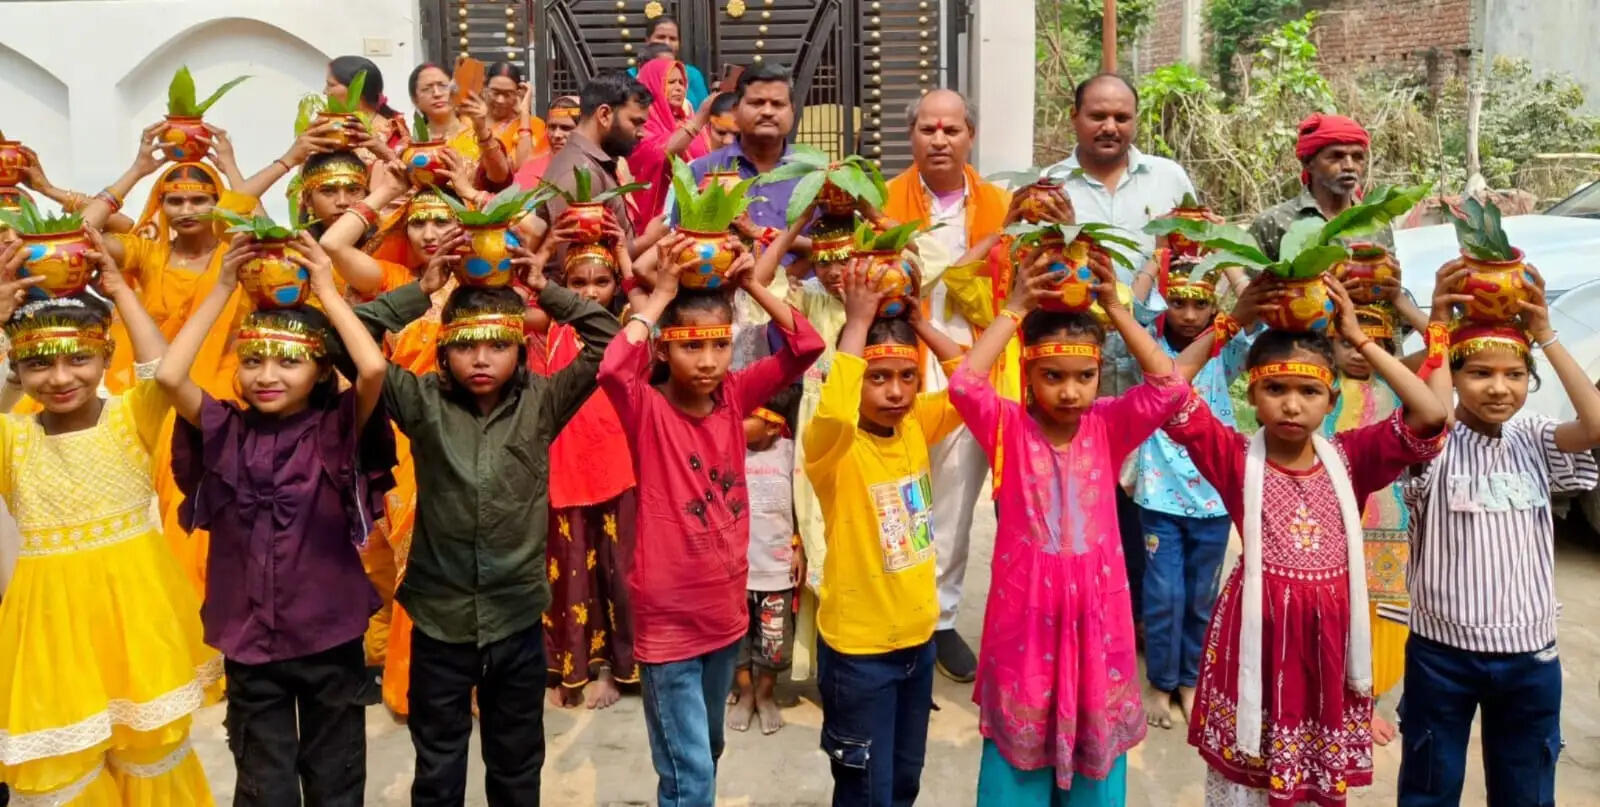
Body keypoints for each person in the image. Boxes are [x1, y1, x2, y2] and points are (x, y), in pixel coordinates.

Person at [1165, 277, 1452, 806]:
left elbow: (1432, 414)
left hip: (1325, 642)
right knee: (1249, 772)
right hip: (1256, 636)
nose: (1292, 406)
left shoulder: (1352, 456)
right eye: (1276, 390)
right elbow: (1167, 388)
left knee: (1310, 776)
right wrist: (1230, 323)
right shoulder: (1233, 458)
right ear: (1252, 395)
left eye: (1309, 391)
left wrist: (1359, 340)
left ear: (1331, 398)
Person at [357, 229, 618, 805]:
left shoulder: (544, 401)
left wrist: (545, 289)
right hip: (439, 621)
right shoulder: (420, 401)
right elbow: (345, 342)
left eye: (498, 345)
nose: (481, 359)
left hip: (517, 620)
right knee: (438, 766)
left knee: (517, 765)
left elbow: (609, 340)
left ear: (520, 349)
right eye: (466, 346)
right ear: (443, 350)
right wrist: (421, 291)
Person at [951, 247, 1200, 805]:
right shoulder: (1007, 429)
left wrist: (1117, 310)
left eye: (1086, 376)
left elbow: (1169, 389)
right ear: (1028, 372)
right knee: (1017, 762)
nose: (1070, 391)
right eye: (1052, 376)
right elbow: (965, 385)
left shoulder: (1108, 426)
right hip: (1025, 621)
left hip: (1098, 622)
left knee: (1096, 751)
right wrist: (1015, 309)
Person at [160, 233, 390, 807]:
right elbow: (169, 377)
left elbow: (371, 368)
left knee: (336, 780)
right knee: (266, 786)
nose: (267, 375)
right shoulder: (224, 429)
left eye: (290, 362)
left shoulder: (336, 428)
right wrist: (221, 287)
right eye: (253, 360)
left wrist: (326, 289)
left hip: (329, 635)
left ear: (320, 372)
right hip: (248, 640)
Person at [597, 239, 823, 807]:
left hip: (724, 614)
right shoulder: (647, 409)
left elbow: (807, 345)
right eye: (691, 346)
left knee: (708, 749)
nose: (707, 362)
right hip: (668, 622)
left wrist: (751, 285)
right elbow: (613, 368)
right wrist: (662, 295)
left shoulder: (733, 397)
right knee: (688, 772)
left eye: (720, 345)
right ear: (665, 349)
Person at [0, 235, 218, 805]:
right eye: (38, 364)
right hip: (49, 623)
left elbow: (163, 371)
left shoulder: (130, 416)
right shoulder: (12, 438)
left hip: (136, 613)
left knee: (148, 749)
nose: (60, 378)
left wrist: (121, 291)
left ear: (104, 358)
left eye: (79, 358)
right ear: (16, 369)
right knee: (61, 763)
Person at [1397, 267, 1600, 806]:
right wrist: (1438, 328)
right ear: (1454, 376)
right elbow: (1431, 410)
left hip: (1530, 655)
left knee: (1526, 790)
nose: (1498, 387)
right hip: (1441, 654)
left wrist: (1546, 334)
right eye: (1480, 373)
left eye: (1514, 375)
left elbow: (1595, 425)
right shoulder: (1433, 441)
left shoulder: (1534, 437)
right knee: (1429, 786)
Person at [803, 259, 969, 807]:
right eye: (878, 378)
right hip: (859, 655)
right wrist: (857, 324)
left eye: (907, 377)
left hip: (917, 644)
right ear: (855, 380)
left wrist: (920, 324)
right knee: (864, 791)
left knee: (904, 781)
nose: (896, 392)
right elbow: (834, 409)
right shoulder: (833, 447)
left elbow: (970, 382)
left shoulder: (916, 424)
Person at [320, 180, 471, 718]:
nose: (430, 233)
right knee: (405, 559)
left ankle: (463, 685)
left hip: (465, 434)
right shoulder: (395, 280)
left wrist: (473, 195)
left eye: (442, 220)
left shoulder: (482, 284)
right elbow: (333, 246)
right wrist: (384, 191)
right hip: (401, 435)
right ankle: (410, 681)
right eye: (419, 221)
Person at [881, 87, 1016, 682]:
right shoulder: (881, 201)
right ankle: (897, 610)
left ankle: (940, 618)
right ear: (912, 136)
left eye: (951, 129)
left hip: (976, 360)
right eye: (928, 129)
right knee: (899, 489)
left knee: (956, 499)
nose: (940, 139)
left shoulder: (1002, 206)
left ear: (970, 137)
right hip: (901, 356)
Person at [1127, 259, 1255, 730]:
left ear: (1215, 309)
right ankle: (1160, 682)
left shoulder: (1225, 352)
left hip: (1214, 495)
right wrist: (1158, 256)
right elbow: (1133, 306)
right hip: (1158, 495)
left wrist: (1228, 259)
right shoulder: (1150, 348)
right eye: (1177, 302)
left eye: (1199, 304)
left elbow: (1255, 311)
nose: (1187, 314)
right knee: (1163, 594)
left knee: (1202, 596)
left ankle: (1190, 678)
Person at [542, 224, 640, 711]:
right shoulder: (548, 329)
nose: (589, 293)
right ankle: (573, 667)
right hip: (566, 470)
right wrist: (544, 249)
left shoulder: (625, 325)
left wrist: (623, 254)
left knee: (618, 576)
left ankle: (615, 671)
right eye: (577, 283)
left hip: (618, 467)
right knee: (571, 576)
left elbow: (646, 308)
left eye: (600, 282)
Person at [728, 384, 802, 735]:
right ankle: (745, 693)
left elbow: (803, 504)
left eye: (747, 417)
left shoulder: (790, 454)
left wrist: (800, 547)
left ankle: (765, 693)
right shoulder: (728, 451)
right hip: (735, 570)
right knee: (736, 638)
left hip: (776, 570)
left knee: (774, 643)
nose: (737, 421)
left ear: (773, 425)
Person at [1249, 113, 1391, 261]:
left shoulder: (1378, 223)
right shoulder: (1273, 223)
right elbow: (1249, 275)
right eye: (1336, 156)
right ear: (1308, 163)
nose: (1349, 166)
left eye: (1357, 157)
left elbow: (1388, 273)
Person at [541, 71, 653, 245]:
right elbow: (578, 260)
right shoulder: (579, 173)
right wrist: (650, 241)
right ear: (604, 115)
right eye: (635, 122)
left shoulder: (591, 164)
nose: (641, 133)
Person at [626, 58, 717, 231]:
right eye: (671, 82)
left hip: (697, 217)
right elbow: (662, 154)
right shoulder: (642, 125)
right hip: (657, 222)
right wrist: (700, 118)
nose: (679, 88)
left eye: (681, 83)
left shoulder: (687, 120)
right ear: (652, 85)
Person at [406, 63, 511, 189]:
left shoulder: (479, 138)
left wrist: (481, 130)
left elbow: (500, 178)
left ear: (455, 90)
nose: (437, 93)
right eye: (426, 89)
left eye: (443, 86)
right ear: (415, 99)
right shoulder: (409, 146)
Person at [327, 55, 408, 150]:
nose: (325, 91)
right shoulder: (328, 124)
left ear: (357, 88)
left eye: (331, 85)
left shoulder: (392, 132)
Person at [484, 61, 548, 167]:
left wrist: (524, 112)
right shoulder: (469, 121)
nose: (500, 100)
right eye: (495, 92)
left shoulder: (534, 124)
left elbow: (526, 168)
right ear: (485, 90)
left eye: (507, 94)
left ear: (517, 94)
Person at [641, 14, 710, 108]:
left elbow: (704, 110)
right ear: (647, 41)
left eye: (673, 39)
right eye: (661, 37)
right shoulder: (632, 76)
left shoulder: (692, 74)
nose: (667, 43)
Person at [514, 96, 581, 189]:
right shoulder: (530, 170)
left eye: (566, 128)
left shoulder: (594, 167)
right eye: (552, 127)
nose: (557, 135)